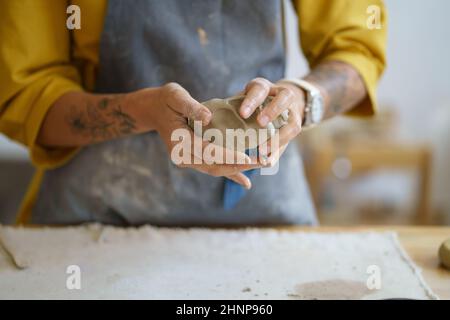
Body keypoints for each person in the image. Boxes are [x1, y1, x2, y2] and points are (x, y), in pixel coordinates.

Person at [0, 0, 386, 226]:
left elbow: (356, 50)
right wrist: (145, 111)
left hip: (260, 193)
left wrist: (303, 98)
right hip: (98, 208)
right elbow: (25, 92)